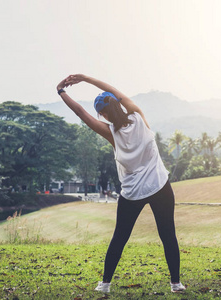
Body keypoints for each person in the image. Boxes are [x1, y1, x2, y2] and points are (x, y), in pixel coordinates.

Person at [56, 74, 186, 293]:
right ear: (119, 104)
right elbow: (113, 89)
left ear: (103, 114)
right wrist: (85, 79)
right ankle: (176, 284)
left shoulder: (110, 134)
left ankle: (105, 284)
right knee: (167, 234)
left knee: (120, 237)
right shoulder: (138, 116)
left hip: (133, 193)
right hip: (159, 187)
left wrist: (61, 90)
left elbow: (80, 113)